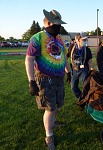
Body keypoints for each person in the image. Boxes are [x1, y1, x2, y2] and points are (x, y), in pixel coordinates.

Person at [25, 9, 71, 149]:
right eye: (57, 24)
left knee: (57, 105)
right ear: (49, 23)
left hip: (58, 78)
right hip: (45, 79)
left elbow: (63, 57)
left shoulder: (59, 38)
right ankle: (49, 135)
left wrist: (68, 71)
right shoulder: (37, 38)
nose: (59, 27)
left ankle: (53, 122)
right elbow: (29, 59)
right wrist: (31, 81)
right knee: (50, 108)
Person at [67, 32, 94, 98]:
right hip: (74, 70)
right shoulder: (72, 48)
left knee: (86, 86)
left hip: (84, 70)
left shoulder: (87, 50)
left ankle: (87, 100)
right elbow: (66, 57)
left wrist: (92, 70)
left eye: (86, 40)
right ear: (78, 40)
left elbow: (90, 61)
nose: (85, 41)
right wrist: (67, 72)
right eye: (83, 40)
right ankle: (81, 98)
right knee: (73, 87)